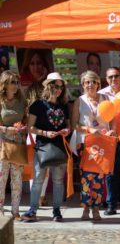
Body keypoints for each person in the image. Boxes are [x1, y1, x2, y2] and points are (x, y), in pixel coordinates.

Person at [22, 72, 70, 222]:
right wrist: (45, 133)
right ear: (49, 86)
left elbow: (68, 125)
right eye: (56, 86)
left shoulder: (64, 106)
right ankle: (32, 210)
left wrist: (67, 130)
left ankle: (56, 211)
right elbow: (30, 127)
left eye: (61, 87)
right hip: (42, 147)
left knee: (58, 181)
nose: (58, 90)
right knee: (37, 180)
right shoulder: (38, 104)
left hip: (59, 147)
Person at [71, 70, 115, 221]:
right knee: (85, 178)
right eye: (87, 82)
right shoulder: (80, 101)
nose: (90, 85)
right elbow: (74, 124)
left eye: (94, 82)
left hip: (102, 144)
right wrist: (89, 129)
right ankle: (85, 208)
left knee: (99, 179)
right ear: (83, 84)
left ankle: (96, 208)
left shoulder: (105, 99)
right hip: (86, 144)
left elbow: (112, 119)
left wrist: (112, 132)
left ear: (98, 84)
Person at [98, 67, 120, 215]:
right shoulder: (101, 95)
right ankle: (111, 205)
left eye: (116, 76)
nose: (113, 79)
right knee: (109, 173)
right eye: (110, 77)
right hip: (107, 137)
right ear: (106, 79)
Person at [0, 70, 27, 221]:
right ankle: (0, 210)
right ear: (4, 84)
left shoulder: (22, 100)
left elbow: (26, 120)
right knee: (1, 179)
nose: (15, 85)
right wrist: (7, 129)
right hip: (1, 143)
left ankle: (15, 211)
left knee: (17, 179)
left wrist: (23, 126)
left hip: (17, 143)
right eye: (12, 82)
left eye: (16, 82)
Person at [26, 82, 50, 207]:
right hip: (42, 138)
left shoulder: (28, 106)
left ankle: (35, 197)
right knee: (45, 170)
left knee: (33, 170)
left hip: (30, 139)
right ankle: (41, 197)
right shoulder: (44, 106)